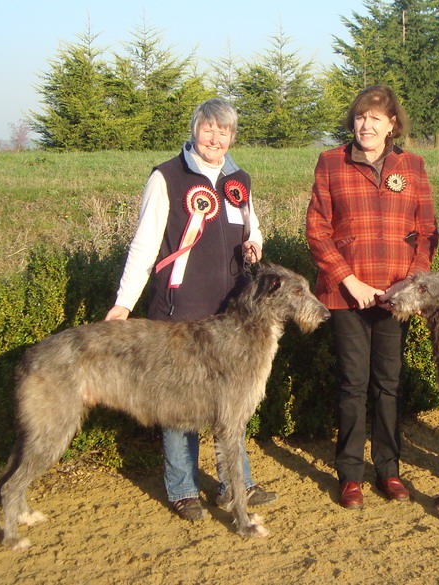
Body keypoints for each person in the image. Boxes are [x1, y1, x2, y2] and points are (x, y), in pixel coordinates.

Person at [105, 98, 277, 521]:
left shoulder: (239, 178)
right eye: (208, 129)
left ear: (232, 136)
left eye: (224, 131)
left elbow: (251, 227)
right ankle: (182, 488)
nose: (215, 138)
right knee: (180, 403)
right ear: (195, 129)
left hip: (232, 315)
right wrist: (124, 303)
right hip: (181, 308)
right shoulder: (167, 177)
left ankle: (236, 483)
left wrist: (256, 242)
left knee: (231, 403)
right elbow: (144, 245)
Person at [306, 85, 439, 509]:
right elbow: (317, 230)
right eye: (361, 117)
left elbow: (428, 231)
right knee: (352, 384)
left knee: (388, 383)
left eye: (376, 118)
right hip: (347, 295)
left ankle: (389, 469)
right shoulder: (331, 162)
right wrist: (349, 280)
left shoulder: (413, 166)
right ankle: (349, 474)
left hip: (395, 296)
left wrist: (410, 286)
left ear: (392, 124)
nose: (366, 125)